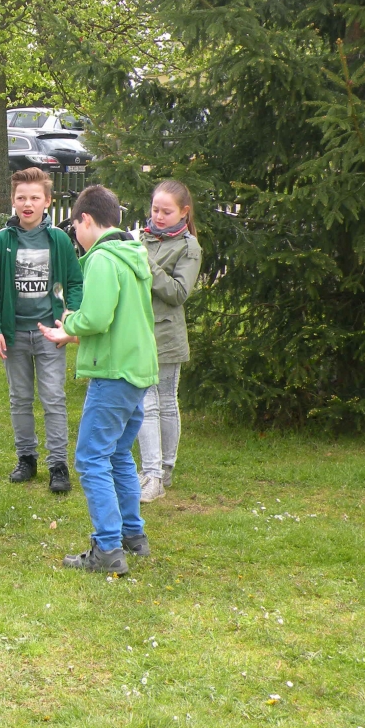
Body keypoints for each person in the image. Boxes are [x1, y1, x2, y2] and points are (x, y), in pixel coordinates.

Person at [39, 185, 159, 573]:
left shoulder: (103, 259)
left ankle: (107, 549)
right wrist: (73, 333)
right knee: (118, 453)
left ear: (86, 220)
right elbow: (120, 319)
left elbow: (96, 318)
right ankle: (132, 535)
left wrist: (69, 322)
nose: (76, 236)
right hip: (137, 370)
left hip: (113, 373)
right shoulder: (132, 254)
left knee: (91, 457)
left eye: (75, 228)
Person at [0, 168, 84, 493]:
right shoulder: (2, 241)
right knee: (20, 399)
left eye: (35, 198)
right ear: (13, 201)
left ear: (47, 201)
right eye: (21, 198)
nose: (28, 204)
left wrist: (69, 316)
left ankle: (58, 465)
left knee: (53, 398)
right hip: (14, 334)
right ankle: (26, 458)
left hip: (49, 334)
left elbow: (74, 282)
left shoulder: (58, 240)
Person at [136, 180, 202, 503]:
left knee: (161, 401)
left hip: (165, 336)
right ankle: (153, 472)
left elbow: (177, 293)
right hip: (137, 332)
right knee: (144, 402)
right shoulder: (143, 238)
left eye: (166, 212)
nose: (158, 217)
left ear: (184, 212)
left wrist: (145, 263)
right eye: (155, 210)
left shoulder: (189, 248)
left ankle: (161, 472)